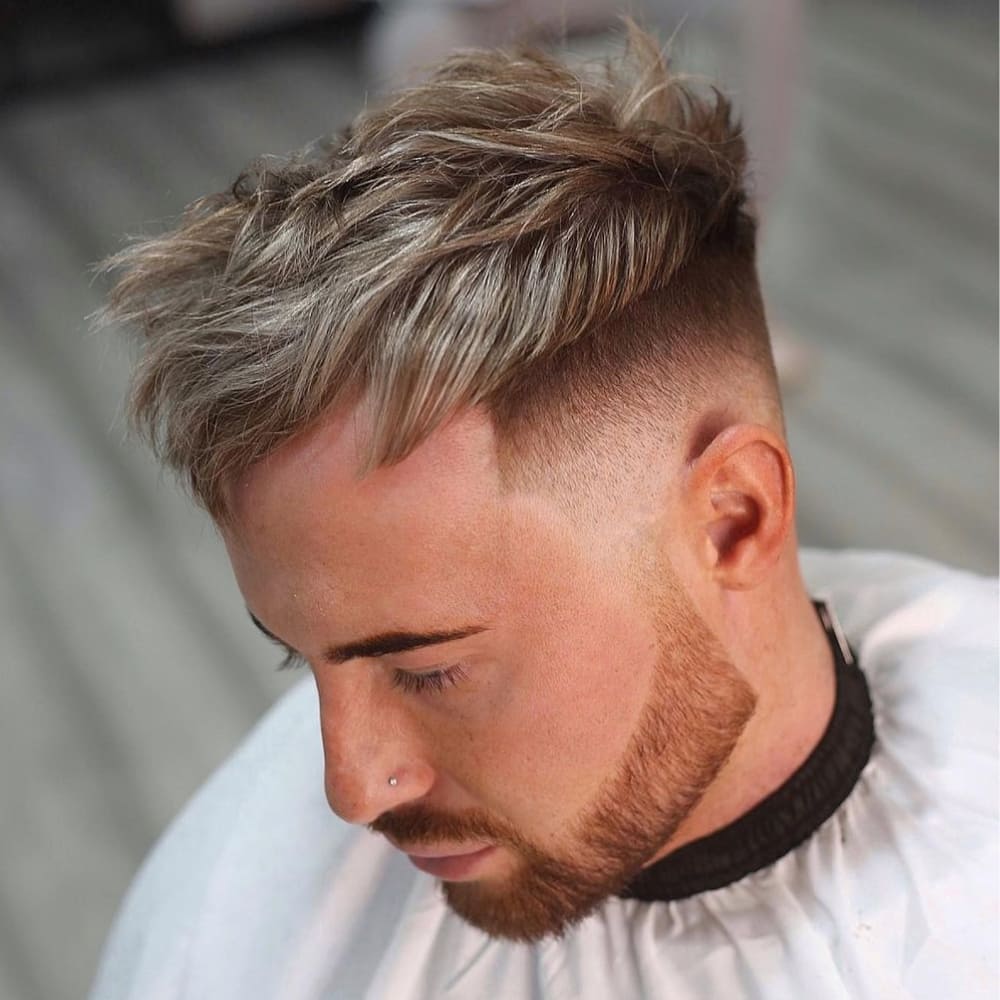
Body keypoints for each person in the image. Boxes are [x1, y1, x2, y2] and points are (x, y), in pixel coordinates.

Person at [89, 26, 997, 999]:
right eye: (297, 656)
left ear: (734, 518)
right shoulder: (235, 933)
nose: (350, 787)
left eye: (431, 671)